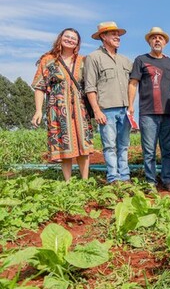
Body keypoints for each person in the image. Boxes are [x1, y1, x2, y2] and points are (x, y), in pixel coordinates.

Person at [31, 28, 94, 181]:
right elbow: (39, 87)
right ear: (60, 38)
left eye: (74, 38)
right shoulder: (48, 60)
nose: (70, 40)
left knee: (82, 144)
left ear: (78, 43)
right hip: (57, 109)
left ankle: (85, 180)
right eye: (67, 37)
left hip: (80, 108)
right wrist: (38, 110)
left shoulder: (84, 61)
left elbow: (92, 85)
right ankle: (67, 182)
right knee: (64, 144)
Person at [128, 27, 170, 192]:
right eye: (154, 38)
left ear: (164, 42)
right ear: (149, 41)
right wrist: (130, 106)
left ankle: (168, 180)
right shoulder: (141, 60)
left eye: (160, 38)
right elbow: (133, 83)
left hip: (168, 113)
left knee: (167, 150)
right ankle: (150, 182)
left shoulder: (169, 62)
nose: (157, 40)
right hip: (148, 112)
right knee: (149, 151)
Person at [84, 21, 133, 183]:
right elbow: (90, 87)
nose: (117, 36)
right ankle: (113, 177)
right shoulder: (93, 58)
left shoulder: (125, 60)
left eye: (118, 34)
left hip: (124, 110)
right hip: (106, 110)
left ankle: (125, 177)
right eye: (113, 34)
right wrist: (97, 110)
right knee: (109, 145)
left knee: (124, 145)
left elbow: (135, 81)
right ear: (103, 36)